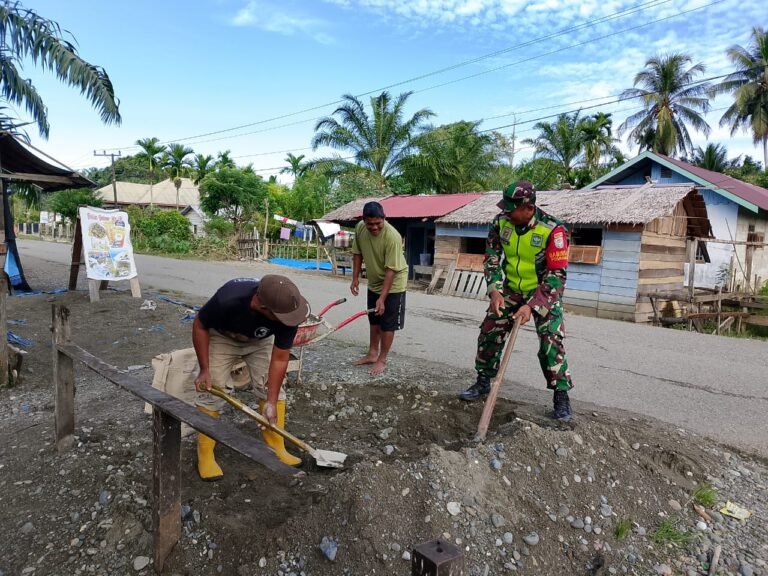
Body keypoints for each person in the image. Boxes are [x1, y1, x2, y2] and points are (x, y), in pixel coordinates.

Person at [459, 181, 575, 422]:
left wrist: (531, 305)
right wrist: (494, 290)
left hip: (543, 292)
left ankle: (561, 397)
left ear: (528, 208)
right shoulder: (500, 222)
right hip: (511, 290)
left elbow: (557, 275)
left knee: (550, 343)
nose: (506, 213)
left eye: (511, 209)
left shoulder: (553, 230)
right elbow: (491, 258)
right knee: (490, 330)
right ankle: (483, 382)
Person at [192, 275, 309, 480]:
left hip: (260, 341)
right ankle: (205, 454)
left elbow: (280, 359)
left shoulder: (288, 310)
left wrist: (270, 401)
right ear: (260, 305)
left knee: (272, 389)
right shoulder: (228, 299)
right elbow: (199, 326)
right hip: (223, 336)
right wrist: (204, 369)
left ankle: (276, 447)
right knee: (213, 389)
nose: (287, 321)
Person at [350, 201, 408, 376]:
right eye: (370, 224)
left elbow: (391, 269)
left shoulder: (392, 237)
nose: (374, 227)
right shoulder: (360, 229)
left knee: (387, 324)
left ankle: (382, 359)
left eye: (378, 223)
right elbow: (357, 253)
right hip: (374, 281)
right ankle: (372, 353)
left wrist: (382, 298)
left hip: (394, 283)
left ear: (384, 219)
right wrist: (355, 278)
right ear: (364, 221)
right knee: (374, 319)